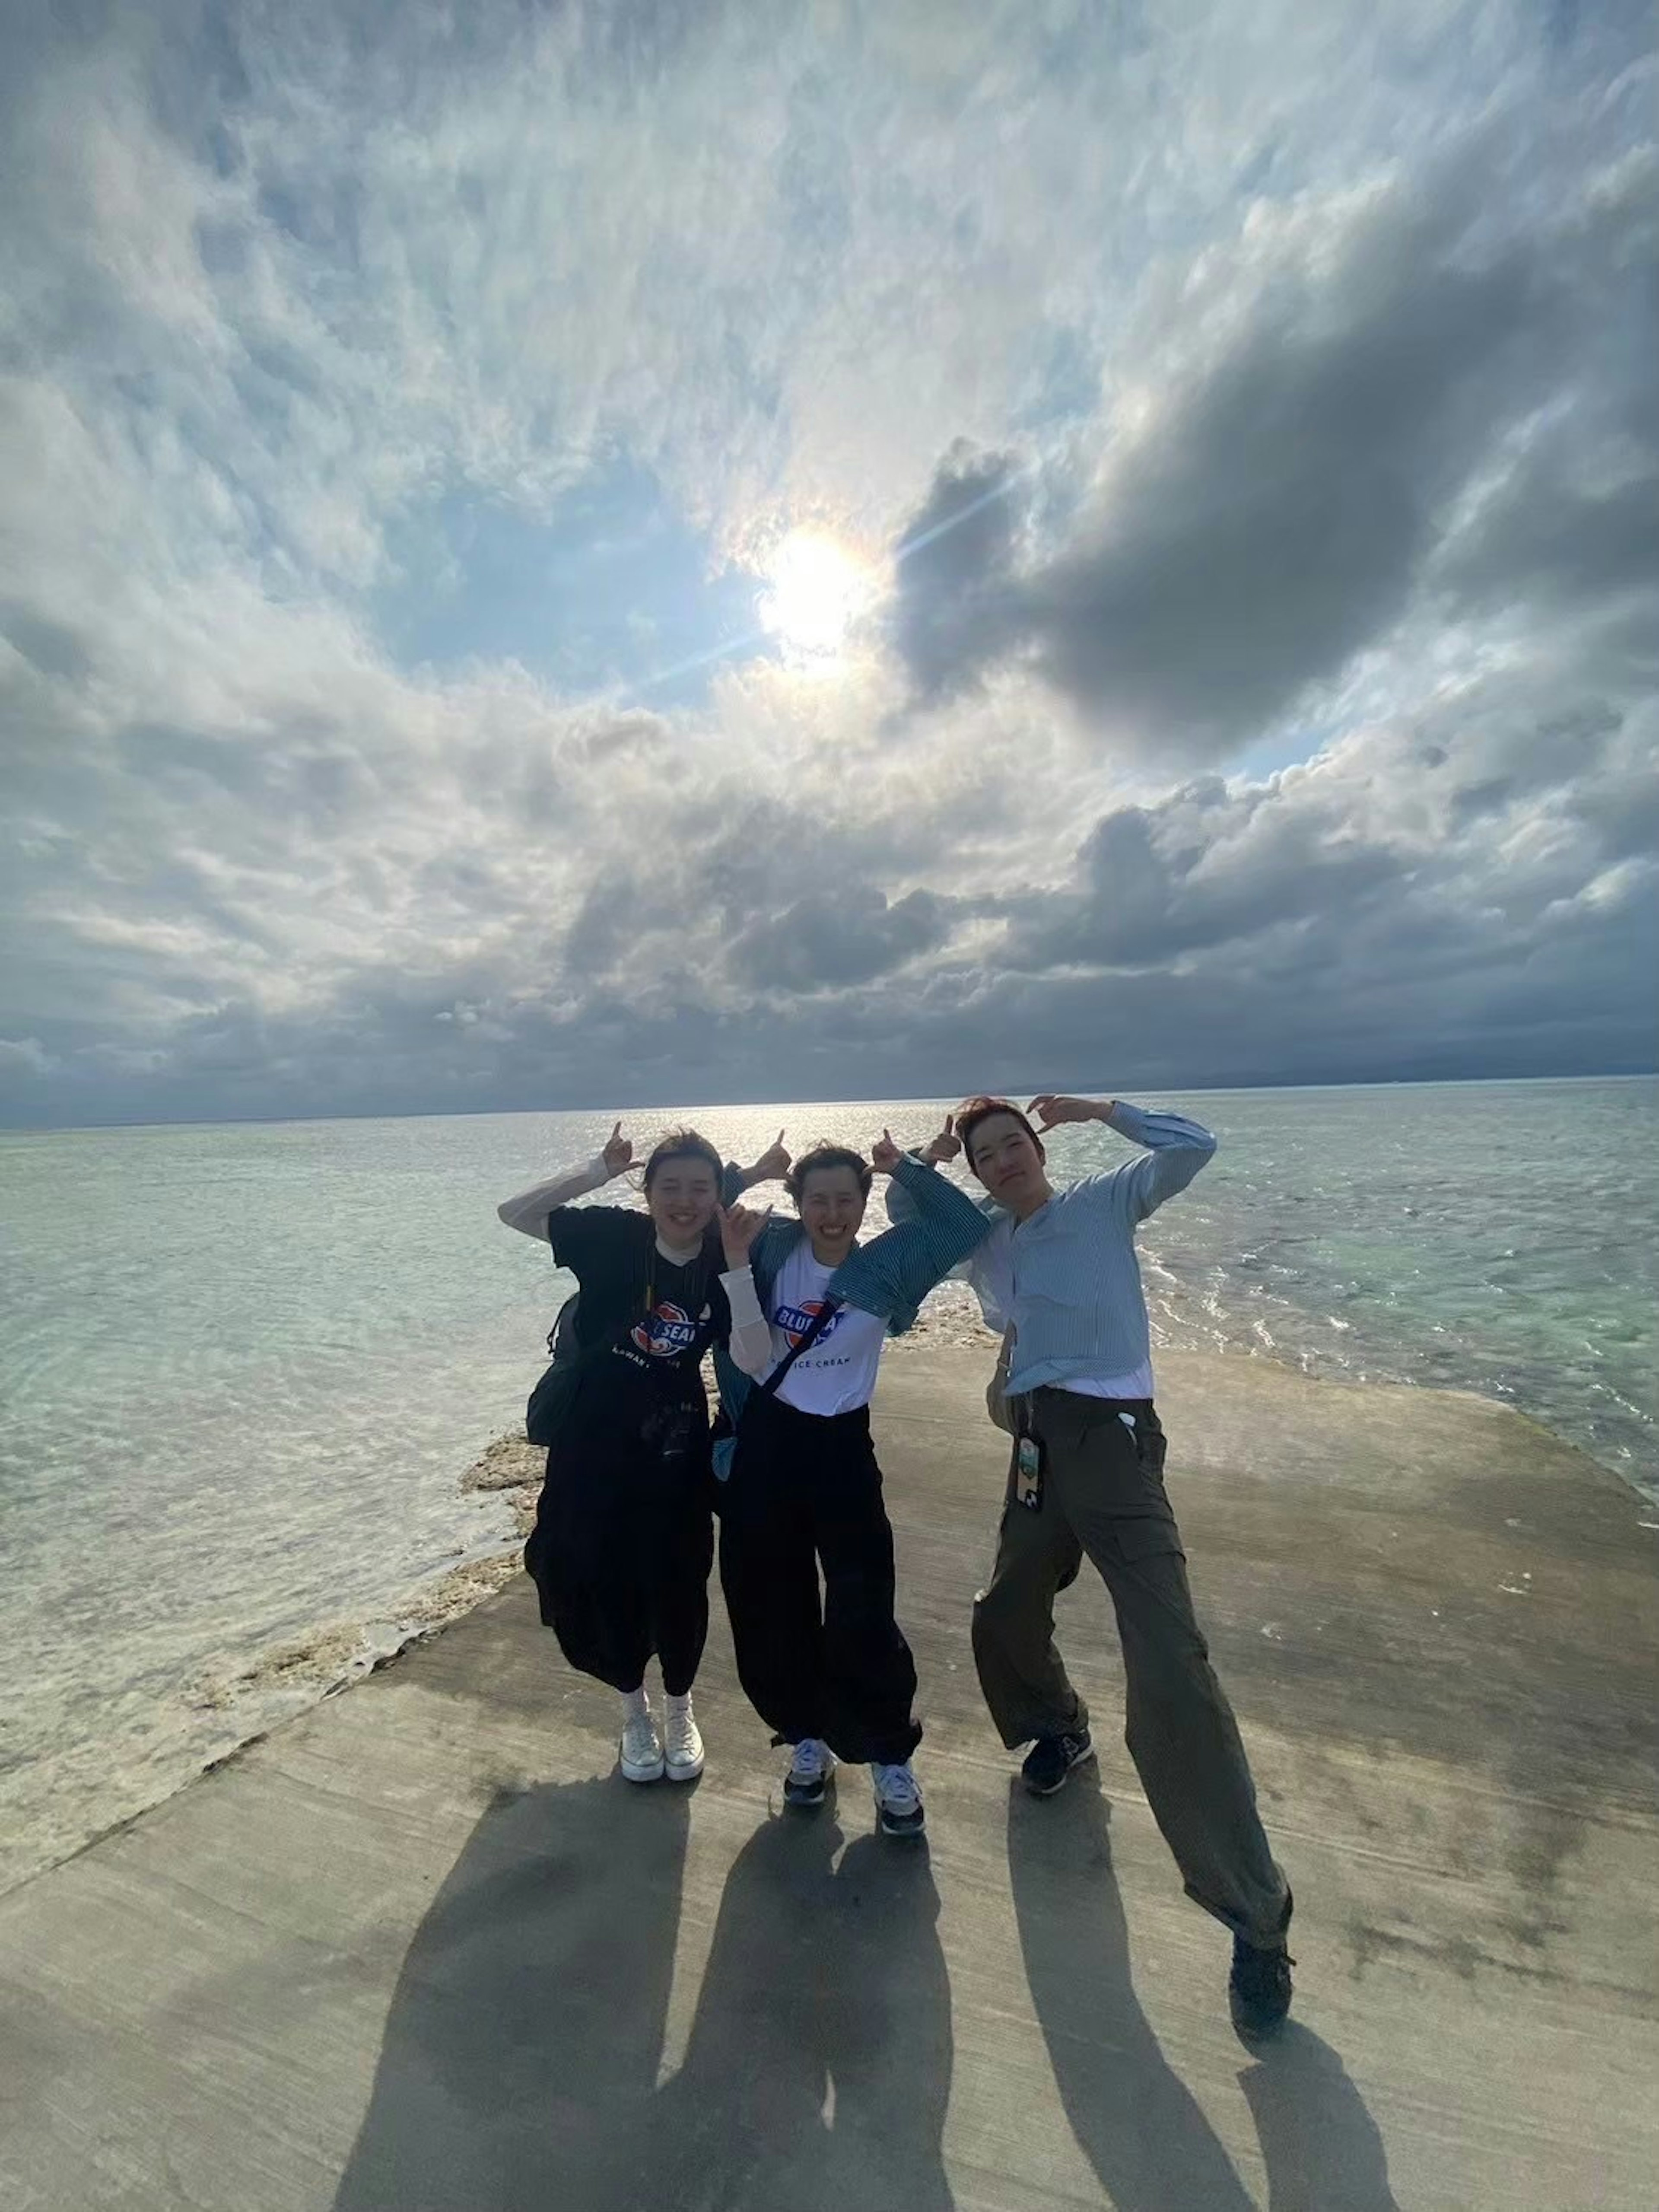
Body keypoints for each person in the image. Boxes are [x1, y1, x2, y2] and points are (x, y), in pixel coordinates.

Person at [932, 1092, 1296, 2037]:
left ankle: (1255, 1916)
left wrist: (1102, 1108)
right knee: (1002, 1610)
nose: (1005, 1159)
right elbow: (909, 1230)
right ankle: (1058, 1726)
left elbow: (1196, 1143)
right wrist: (927, 1160)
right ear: (975, 1170)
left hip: (1116, 1447)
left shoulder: (1104, 1200)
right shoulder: (987, 1238)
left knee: (1172, 1668)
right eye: (986, 1153)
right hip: (1036, 1447)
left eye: (1014, 1143)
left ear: (1039, 1146)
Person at [714, 1129, 992, 1838]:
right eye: (817, 1200)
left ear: (865, 1203)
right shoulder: (774, 1246)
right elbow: (692, 1204)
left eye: (845, 1199)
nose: (831, 1213)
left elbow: (964, 1225)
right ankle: (806, 1737)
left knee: (864, 1603)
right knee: (772, 1602)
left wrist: (909, 1167)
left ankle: (887, 1755)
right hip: (767, 1444)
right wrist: (753, 1169)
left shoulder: (891, 1263)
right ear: (798, 1204)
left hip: (842, 1447)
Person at [496, 1123, 788, 1787]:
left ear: (719, 1196)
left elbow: (752, 1357)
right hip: (590, 1445)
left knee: (680, 1579)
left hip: (675, 1448)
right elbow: (516, 1214)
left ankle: (681, 1710)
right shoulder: (612, 1236)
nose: (683, 1201)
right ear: (648, 1191)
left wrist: (740, 1268)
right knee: (596, 1575)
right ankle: (635, 1712)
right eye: (670, 1187)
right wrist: (598, 1169)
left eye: (700, 1188)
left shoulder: (725, 1256)